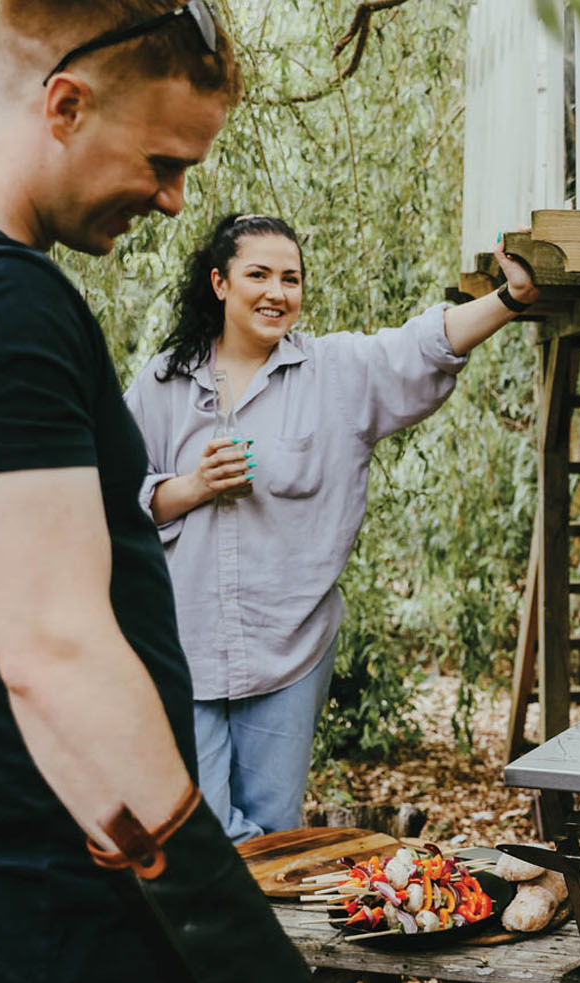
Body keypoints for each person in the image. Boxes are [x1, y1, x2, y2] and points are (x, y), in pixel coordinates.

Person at [0, 2, 317, 983]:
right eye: (164, 162)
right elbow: (54, 648)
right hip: (50, 907)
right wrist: (239, 952)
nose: (174, 201)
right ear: (67, 106)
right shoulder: (11, 309)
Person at [124, 212, 537, 842]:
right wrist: (194, 486)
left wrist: (510, 299)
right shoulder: (160, 384)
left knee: (271, 833)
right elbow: (116, 498)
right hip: (185, 640)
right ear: (219, 283)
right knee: (194, 830)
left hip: (288, 643)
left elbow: (424, 344)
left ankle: (250, 941)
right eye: (257, 274)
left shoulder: (334, 374)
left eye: (291, 278)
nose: (277, 292)